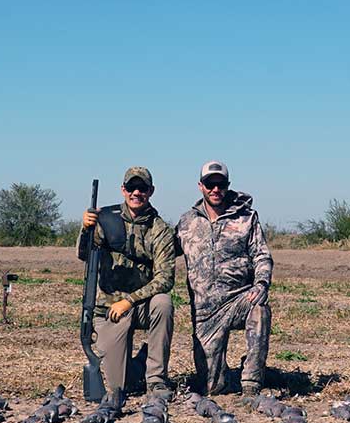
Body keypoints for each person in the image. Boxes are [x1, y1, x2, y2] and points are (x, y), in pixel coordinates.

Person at [77, 165, 177, 398]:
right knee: (118, 386)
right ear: (123, 189)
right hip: (108, 309)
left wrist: (130, 301)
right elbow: (84, 255)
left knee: (163, 303)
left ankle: (155, 379)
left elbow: (165, 278)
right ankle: (140, 362)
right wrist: (85, 229)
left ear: (151, 191)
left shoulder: (160, 229)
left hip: (139, 305)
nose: (136, 193)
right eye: (132, 187)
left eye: (142, 188)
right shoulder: (103, 219)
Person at [174, 160, 273, 395]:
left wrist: (261, 283)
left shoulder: (246, 218)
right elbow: (160, 252)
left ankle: (251, 382)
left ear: (228, 185)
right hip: (205, 312)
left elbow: (262, 255)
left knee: (259, 310)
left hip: (240, 299)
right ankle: (222, 374)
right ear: (201, 186)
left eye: (220, 184)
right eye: (210, 184)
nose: (215, 189)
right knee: (212, 388)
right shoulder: (187, 221)